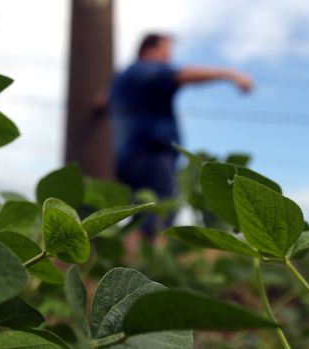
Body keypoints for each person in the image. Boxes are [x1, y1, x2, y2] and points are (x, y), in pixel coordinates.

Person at [108, 33, 253, 235]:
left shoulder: (121, 79)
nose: (169, 58)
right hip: (151, 152)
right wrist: (229, 74)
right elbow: (179, 75)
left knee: (139, 216)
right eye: (166, 51)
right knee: (159, 217)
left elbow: (100, 102)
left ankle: (131, 262)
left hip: (126, 155)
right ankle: (149, 265)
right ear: (149, 50)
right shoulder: (146, 68)